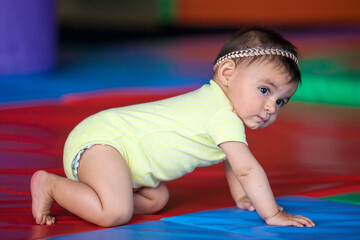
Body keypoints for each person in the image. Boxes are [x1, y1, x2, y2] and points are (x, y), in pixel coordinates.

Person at [31, 27, 315, 228]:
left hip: (116, 151)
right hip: (104, 142)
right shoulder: (220, 113)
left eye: (281, 101)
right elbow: (245, 168)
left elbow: (231, 160)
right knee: (114, 213)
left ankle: (99, 193)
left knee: (157, 198)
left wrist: (242, 195)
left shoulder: (222, 111)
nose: (271, 107)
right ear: (227, 74)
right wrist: (273, 213)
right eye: (265, 90)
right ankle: (51, 185)